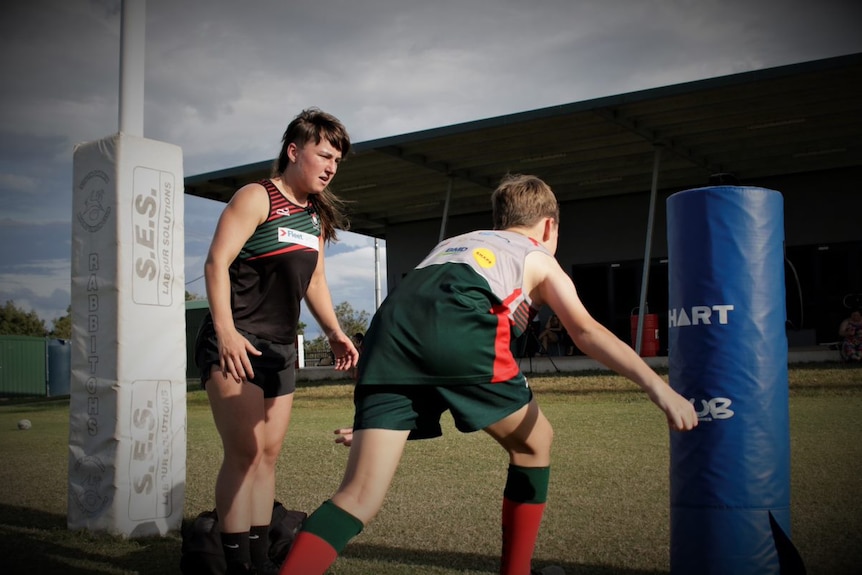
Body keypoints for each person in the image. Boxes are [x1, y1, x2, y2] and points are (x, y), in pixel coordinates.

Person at [278, 174, 699, 575]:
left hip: (386, 339)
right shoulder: (537, 255)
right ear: (549, 226)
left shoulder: (453, 243)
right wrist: (658, 388)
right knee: (537, 445)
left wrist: (382, 424)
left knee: (357, 497)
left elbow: (420, 326)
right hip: (458, 334)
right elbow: (585, 331)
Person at [194, 108, 359, 575]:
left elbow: (316, 283)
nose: (330, 167)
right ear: (293, 150)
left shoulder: (314, 217)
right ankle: (234, 562)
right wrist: (224, 331)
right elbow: (216, 263)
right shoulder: (257, 197)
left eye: (336, 161)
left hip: (281, 349)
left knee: (267, 455)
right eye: (323, 155)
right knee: (244, 452)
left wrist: (335, 332)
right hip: (235, 341)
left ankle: (261, 557)